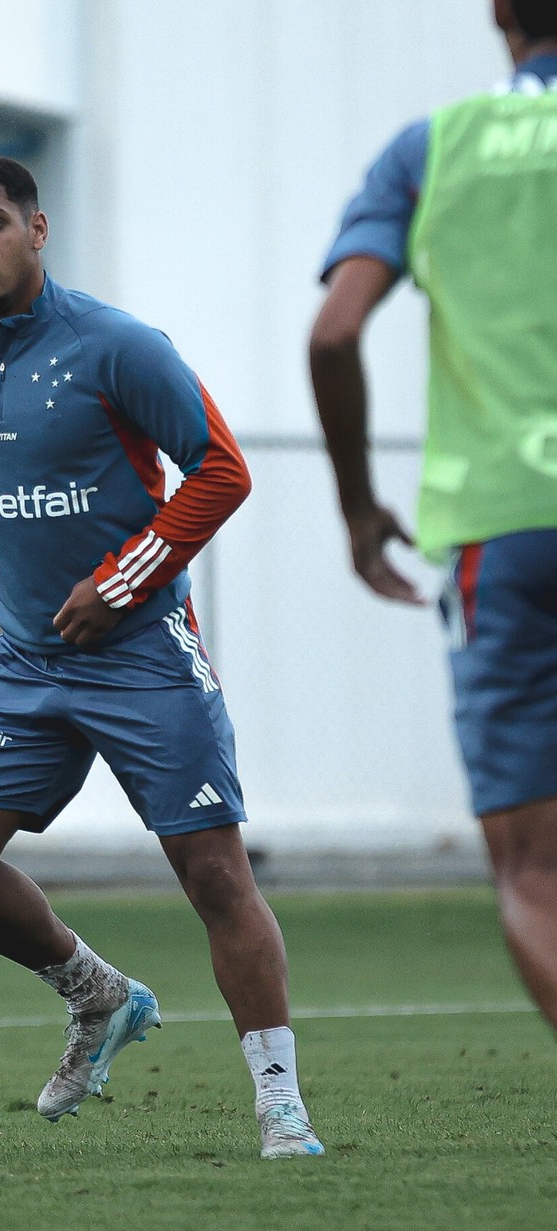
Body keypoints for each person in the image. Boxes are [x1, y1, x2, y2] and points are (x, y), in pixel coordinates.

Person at [0, 154, 323, 1158]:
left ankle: (280, 1101)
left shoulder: (119, 345)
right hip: (25, 666)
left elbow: (222, 469)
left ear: (37, 231)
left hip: (141, 655)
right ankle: (100, 996)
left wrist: (125, 580)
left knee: (217, 879)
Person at [309, 0, 557, 1031]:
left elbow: (334, 334)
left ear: (500, 13)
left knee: (534, 867)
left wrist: (361, 510)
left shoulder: (433, 147)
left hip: (499, 528)